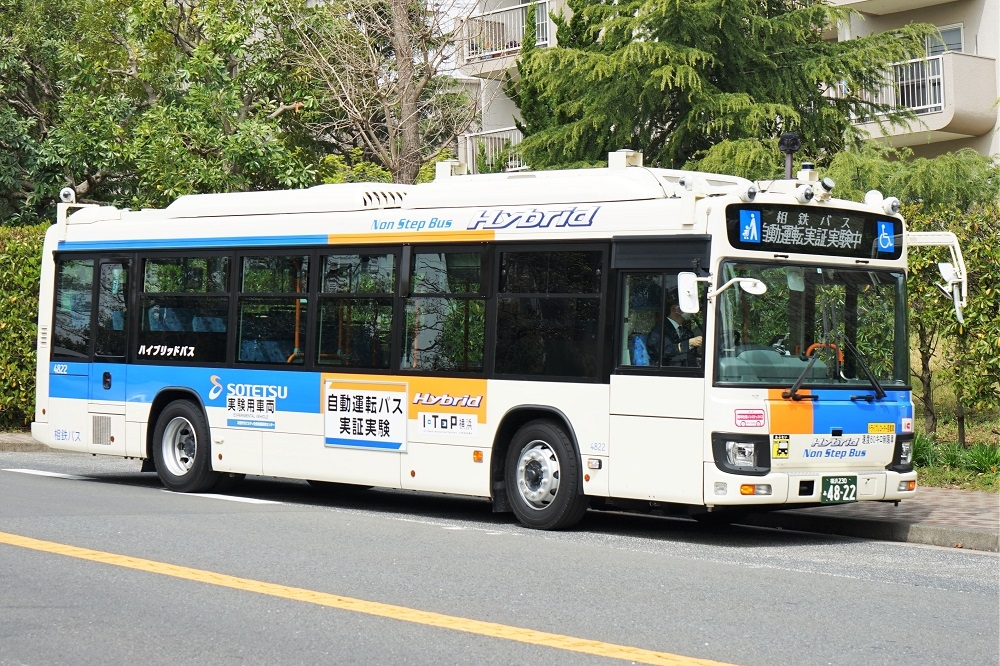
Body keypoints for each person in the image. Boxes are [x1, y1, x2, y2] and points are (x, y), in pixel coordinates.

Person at [647, 301, 703, 367]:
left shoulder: (687, 332)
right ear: (674, 309)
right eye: (687, 307)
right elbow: (664, 352)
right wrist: (689, 344)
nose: (690, 311)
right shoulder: (659, 330)